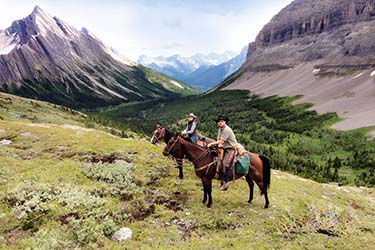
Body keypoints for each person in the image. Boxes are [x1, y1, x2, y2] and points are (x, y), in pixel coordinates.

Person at [207, 115, 238, 191]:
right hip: (224, 147)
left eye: (221, 121)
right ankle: (217, 174)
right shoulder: (220, 129)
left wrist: (212, 144)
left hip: (230, 148)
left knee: (225, 164)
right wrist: (218, 144)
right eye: (219, 121)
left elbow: (221, 141)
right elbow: (218, 139)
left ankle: (225, 182)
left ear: (225, 122)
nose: (220, 123)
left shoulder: (227, 129)